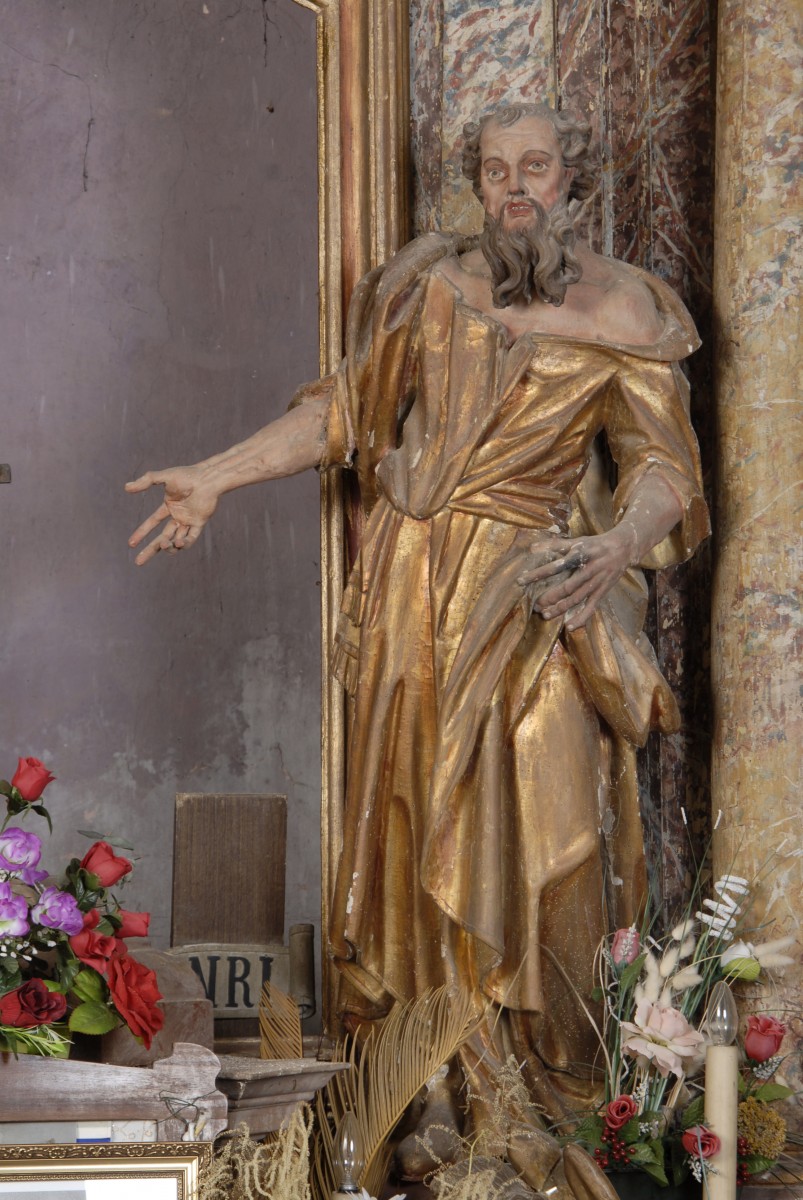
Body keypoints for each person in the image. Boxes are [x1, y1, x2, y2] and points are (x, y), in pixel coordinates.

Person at [128, 102, 709, 1198]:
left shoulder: (627, 308)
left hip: (538, 588)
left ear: (571, 178)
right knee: (412, 832)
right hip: (406, 593)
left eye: (534, 166)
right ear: (475, 185)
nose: (514, 188)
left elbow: (659, 467)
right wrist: (214, 474)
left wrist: (613, 546)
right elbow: (347, 413)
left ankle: (545, 1093)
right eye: (494, 172)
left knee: (550, 828)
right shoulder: (429, 287)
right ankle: (434, 1095)